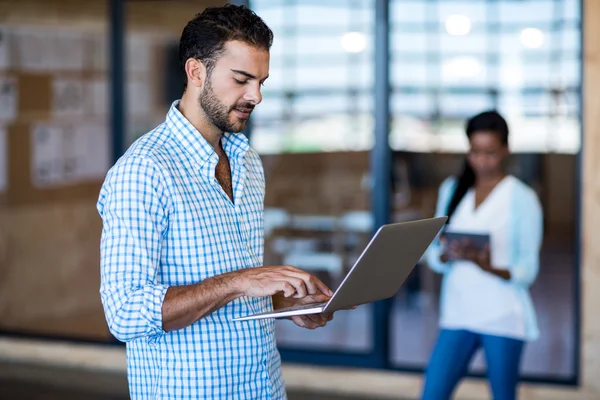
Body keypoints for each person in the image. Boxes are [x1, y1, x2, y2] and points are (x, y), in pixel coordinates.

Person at [97, 5, 336, 399]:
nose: (255, 95)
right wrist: (242, 280)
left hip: (263, 387)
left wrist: (286, 302)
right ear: (196, 72)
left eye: (261, 81)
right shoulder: (145, 170)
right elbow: (125, 313)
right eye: (241, 79)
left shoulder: (248, 161)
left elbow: (234, 292)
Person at [420, 111, 543, 400]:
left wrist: (485, 264)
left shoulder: (522, 198)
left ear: (506, 151)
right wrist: (447, 254)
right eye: (475, 152)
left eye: (490, 153)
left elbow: (527, 270)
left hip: (502, 315)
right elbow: (434, 256)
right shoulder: (452, 190)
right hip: (457, 313)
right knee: (432, 393)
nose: (481, 161)